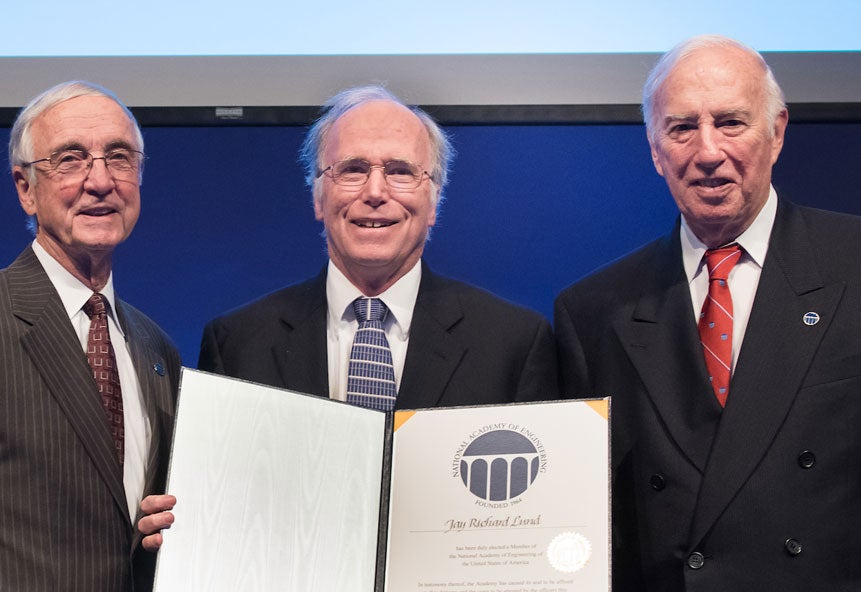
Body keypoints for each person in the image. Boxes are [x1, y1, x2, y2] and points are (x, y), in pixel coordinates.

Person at [138, 84, 557, 548]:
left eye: (400, 171)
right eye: (352, 170)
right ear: (318, 197)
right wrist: (185, 523)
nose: (375, 192)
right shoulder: (237, 341)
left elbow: (534, 518)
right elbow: (221, 506)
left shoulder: (514, 343)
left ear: (434, 201)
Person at [554, 35, 861, 590]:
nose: (708, 151)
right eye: (681, 128)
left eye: (731, 122)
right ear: (654, 150)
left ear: (777, 133)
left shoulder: (854, 264)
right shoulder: (594, 311)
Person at [0, 81, 180, 592]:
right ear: (26, 188)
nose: (100, 181)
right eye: (70, 159)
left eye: (119, 158)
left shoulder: (156, 349)